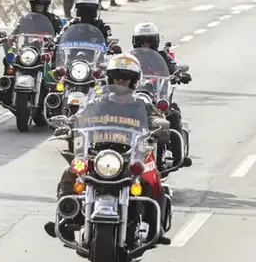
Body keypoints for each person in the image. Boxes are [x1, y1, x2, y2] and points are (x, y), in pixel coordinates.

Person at [43, 54, 170, 242]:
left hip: (129, 155)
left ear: (133, 81)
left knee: (151, 177)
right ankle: (65, 219)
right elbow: (79, 117)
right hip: (98, 153)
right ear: (110, 79)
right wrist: (68, 125)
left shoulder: (141, 105)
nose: (121, 82)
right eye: (117, 78)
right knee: (70, 172)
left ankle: (154, 228)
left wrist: (161, 125)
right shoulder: (98, 102)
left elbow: (154, 118)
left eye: (125, 78)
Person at [131, 22, 193, 167]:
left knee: (173, 115)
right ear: (135, 41)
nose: (146, 44)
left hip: (157, 96)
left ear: (156, 41)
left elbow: (173, 67)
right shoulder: (130, 58)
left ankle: (178, 155)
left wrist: (180, 74)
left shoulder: (163, 56)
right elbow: (118, 67)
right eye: (142, 41)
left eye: (149, 41)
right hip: (135, 97)